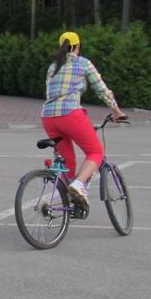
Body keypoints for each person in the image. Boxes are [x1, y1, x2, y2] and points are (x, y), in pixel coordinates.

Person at [42, 31, 126, 208]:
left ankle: (65, 201)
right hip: (70, 114)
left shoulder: (53, 66)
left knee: (67, 162)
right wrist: (117, 111)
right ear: (78, 46)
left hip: (48, 117)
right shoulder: (83, 63)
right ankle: (79, 184)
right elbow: (101, 89)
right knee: (96, 152)